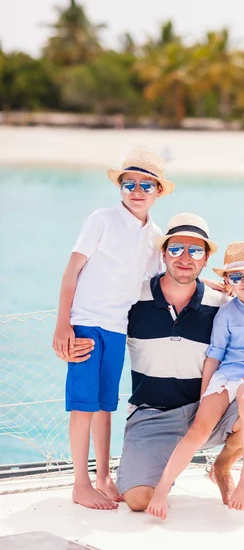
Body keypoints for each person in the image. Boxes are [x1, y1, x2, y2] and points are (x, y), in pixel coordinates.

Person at [113, 215, 244, 512]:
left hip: (204, 413)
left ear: (205, 259)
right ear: (163, 253)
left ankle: (222, 465)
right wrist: (71, 334)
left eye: (195, 251)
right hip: (151, 417)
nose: (184, 257)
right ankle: (158, 462)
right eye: (177, 248)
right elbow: (98, 325)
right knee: (138, 501)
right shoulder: (133, 299)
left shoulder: (223, 305)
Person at [52, 147, 174, 510]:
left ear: (158, 191)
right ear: (120, 188)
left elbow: (159, 280)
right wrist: (63, 325)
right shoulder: (101, 219)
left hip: (117, 329)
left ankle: (103, 476)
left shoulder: (155, 235)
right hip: (86, 323)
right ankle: (80, 483)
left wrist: (210, 286)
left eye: (145, 185)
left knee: (106, 405)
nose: (137, 191)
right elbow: (71, 271)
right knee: (83, 407)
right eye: (129, 184)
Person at [147, 241, 244, 519]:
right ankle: (162, 487)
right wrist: (205, 395)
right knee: (198, 431)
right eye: (236, 276)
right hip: (226, 376)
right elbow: (215, 356)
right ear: (227, 280)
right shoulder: (227, 312)